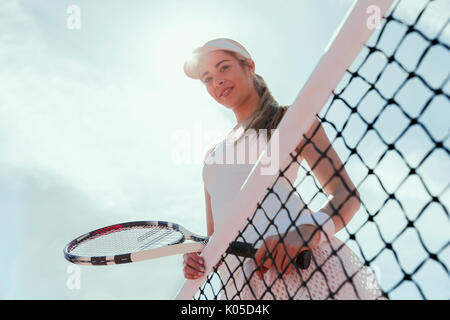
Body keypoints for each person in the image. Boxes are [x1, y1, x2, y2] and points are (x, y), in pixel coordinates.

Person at [181, 38, 386, 300]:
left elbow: (347, 196)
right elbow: (215, 239)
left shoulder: (289, 118)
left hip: (301, 267)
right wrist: (198, 259)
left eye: (223, 68)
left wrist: (306, 232)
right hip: (239, 288)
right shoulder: (210, 157)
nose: (217, 81)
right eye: (207, 78)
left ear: (249, 67)